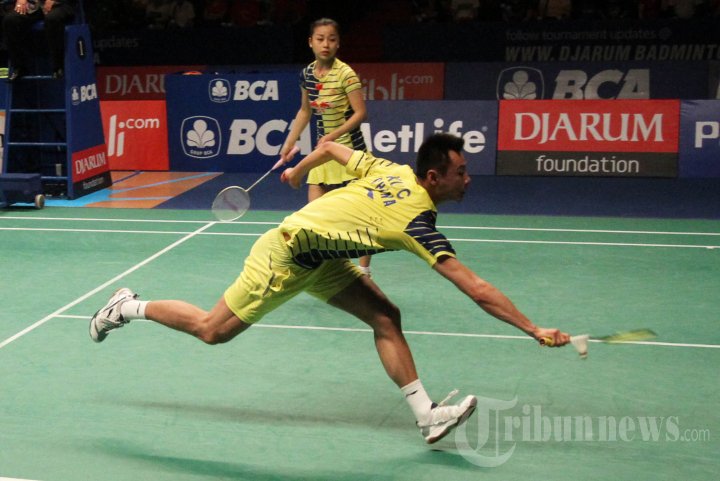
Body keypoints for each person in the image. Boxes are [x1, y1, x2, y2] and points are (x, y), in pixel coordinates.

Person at [89, 133, 570, 444]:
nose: (467, 179)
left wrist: (300, 171)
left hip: (323, 260)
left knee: (386, 316)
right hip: (286, 256)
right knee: (212, 330)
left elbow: (331, 147)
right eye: (460, 172)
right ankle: (127, 306)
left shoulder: (392, 171)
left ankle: (426, 415)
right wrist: (533, 328)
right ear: (433, 177)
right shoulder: (415, 223)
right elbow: (476, 288)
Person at [279, 17, 373, 276]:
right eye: (320, 39)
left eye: (331, 39)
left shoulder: (346, 74)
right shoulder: (307, 74)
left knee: (362, 216)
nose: (326, 44)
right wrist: (289, 143)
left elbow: (360, 113)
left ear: (338, 43)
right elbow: (304, 111)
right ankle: (326, 269)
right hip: (323, 155)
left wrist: (334, 134)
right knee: (313, 216)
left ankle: (364, 271)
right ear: (310, 42)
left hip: (350, 151)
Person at [3, 0, 77, 81]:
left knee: (52, 18)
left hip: (61, 4)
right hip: (35, 5)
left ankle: (58, 67)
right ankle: (19, 67)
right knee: (10, 20)